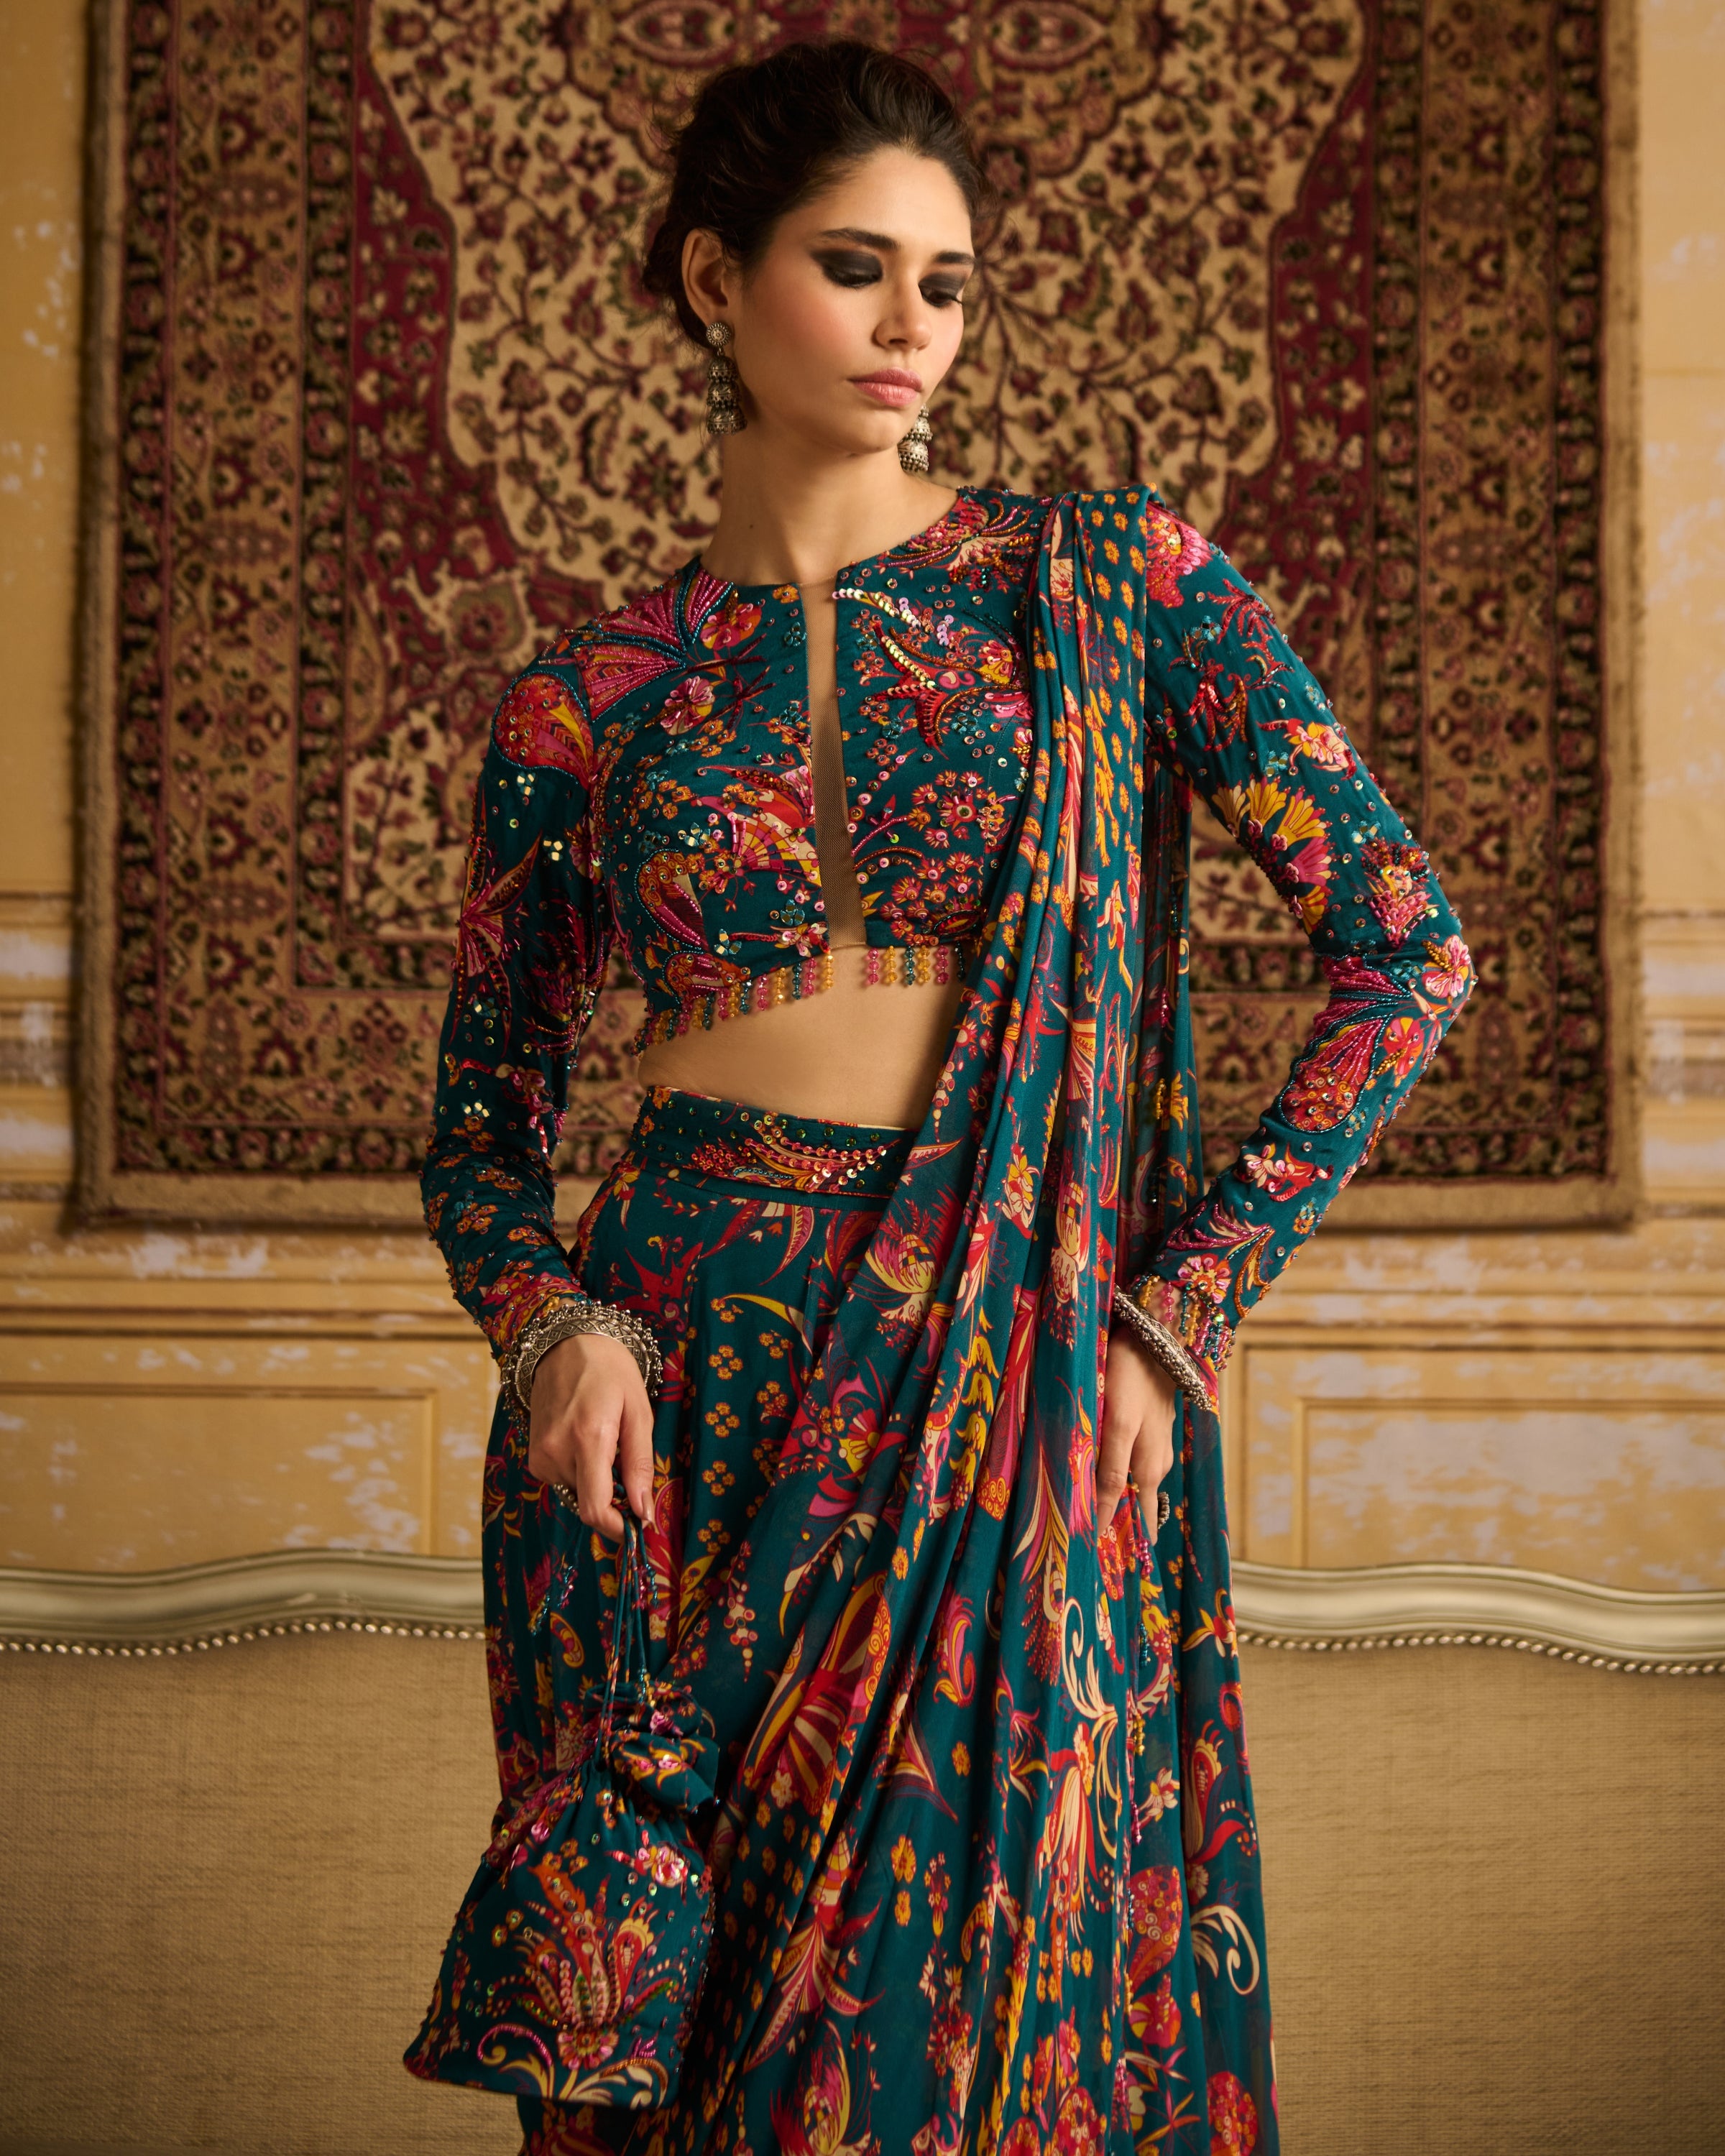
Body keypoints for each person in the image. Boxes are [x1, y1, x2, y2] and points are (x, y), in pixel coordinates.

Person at [405, 40, 1473, 2156]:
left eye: (950, 283)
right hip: (677, 1399)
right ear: (713, 281)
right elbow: (482, 1120)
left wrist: (1179, 1313)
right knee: (677, 2054)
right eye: (856, 267)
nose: (916, 327)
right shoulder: (588, 697)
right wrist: (551, 1330)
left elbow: (1408, 950)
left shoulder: (1113, 590)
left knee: (972, 2019)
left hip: (1012, 1370)